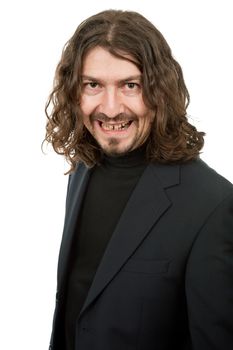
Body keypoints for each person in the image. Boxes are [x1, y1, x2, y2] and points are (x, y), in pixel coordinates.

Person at [44, 9, 233, 350]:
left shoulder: (214, 205)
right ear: (75, 91)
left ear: (160, 91)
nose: (111, 107)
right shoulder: (83, 169)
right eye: (93, 85)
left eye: (130, 85)